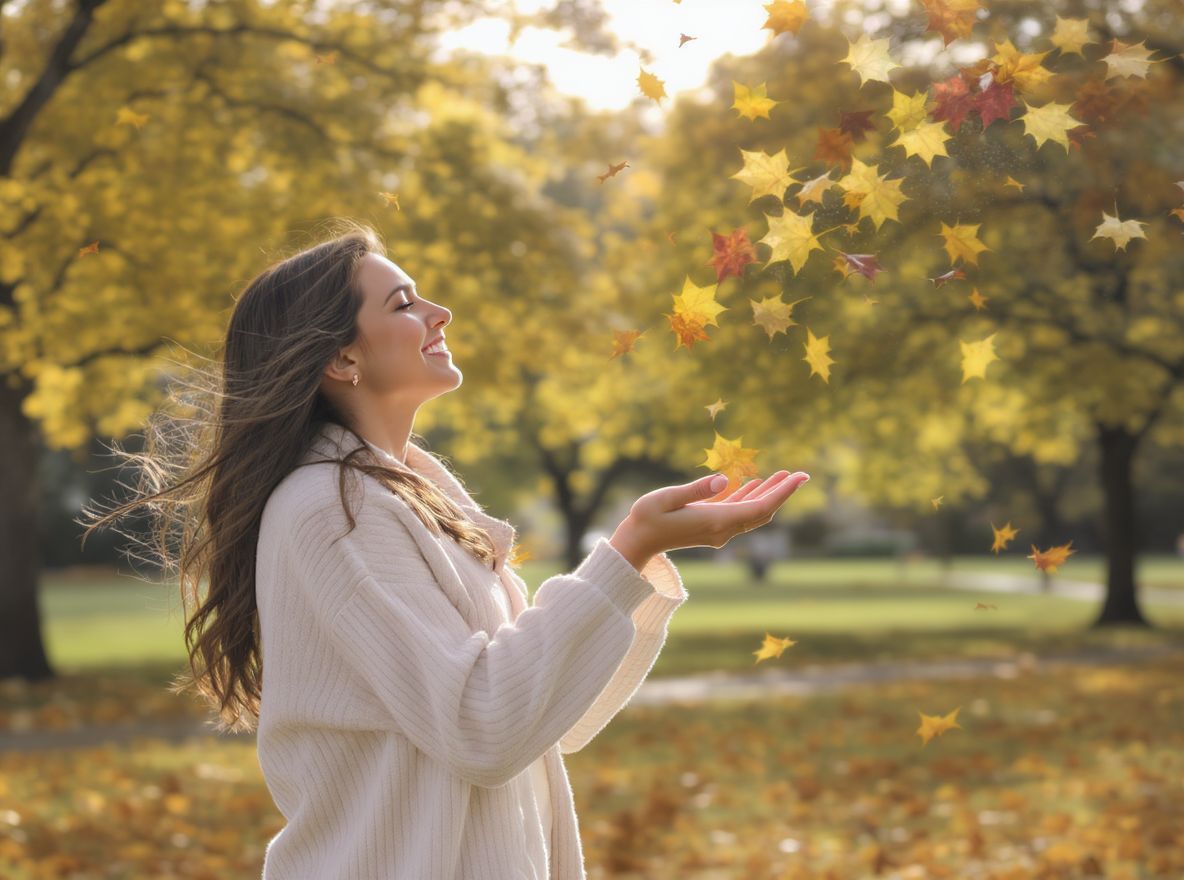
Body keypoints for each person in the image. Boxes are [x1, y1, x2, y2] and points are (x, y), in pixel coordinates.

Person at [83, 220, 810, 879]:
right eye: (403, 304)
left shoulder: (412, 496)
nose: (439, 313)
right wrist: (627, 549)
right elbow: (484, 728)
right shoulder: (329, 510)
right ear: (341, 358)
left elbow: (549, 720)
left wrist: (638, 562)